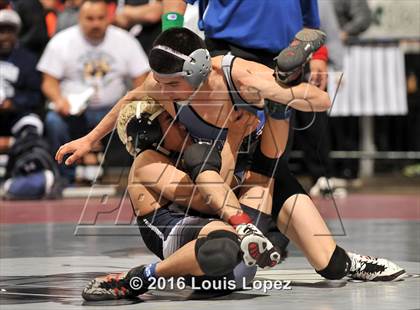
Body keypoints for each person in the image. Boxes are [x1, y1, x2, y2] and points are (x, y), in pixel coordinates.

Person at [56, 28, 406, 295]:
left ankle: (283, 88)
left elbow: (321, 100)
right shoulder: (164, 91)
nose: (165, 95)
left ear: (195, 70)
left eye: (173, 85)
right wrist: (89, 139)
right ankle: (242, 226)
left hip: (256, 166)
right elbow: (132, 98)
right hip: (237, 177)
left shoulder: (237, 76)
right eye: (160, 87)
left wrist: (281, 91)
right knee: (227, 253)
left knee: (329, 265)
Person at [82, 101, 261, 300]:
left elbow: (222, 191)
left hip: (212, 259)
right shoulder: (147, 161)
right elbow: (208, 201)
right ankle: (143, 276)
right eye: (171, 120)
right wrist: (233, 140)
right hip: (177, 237)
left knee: (235, 243)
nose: (183, 124)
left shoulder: (184, 157)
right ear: (150, 133)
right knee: (227, 244)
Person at [37, 0, 150, 183]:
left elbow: (143, 80)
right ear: (79, 18)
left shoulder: (125, 41)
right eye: (90, 19)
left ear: (109, 18)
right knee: (53, 121)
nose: (95, 23)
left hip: (113, 110)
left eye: (100, 18)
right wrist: (58, 100)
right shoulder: (62, 41)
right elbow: (48, 82)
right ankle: (65, 178)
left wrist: (132, 103)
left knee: (136, 118)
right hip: (74, 112)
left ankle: (119, 177)